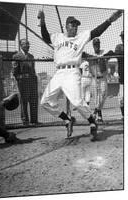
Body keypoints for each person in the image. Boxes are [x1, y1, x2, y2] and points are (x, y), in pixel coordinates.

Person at [38, 9, 122, 141]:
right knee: (45, 102)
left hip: (72, 72)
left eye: (76, 25)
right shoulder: (57, 37)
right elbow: (45, 37)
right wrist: (42, 21)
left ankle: (92, 121)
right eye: (72, 24)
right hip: (59, 73)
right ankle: (67, 119)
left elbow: (97, 31)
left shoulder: (81, 37)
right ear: (66, 26)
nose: (75, 27)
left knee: (77, 102)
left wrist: (109, 20)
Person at [12, 39, 38, 125]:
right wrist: (19, 80)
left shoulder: (31, 56)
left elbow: (33, 69)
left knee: (34, 100)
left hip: (32, 81)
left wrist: (34, 78)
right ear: (21, 45)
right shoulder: (16, 56)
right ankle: (25, 120)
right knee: (24, 101)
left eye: (28, 44)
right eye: (25, 44)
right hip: (23, 82)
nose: (28, 45)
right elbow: (15, 71)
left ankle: (34, 120)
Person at [115, 30, 124, 119]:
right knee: (121, 99)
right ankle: (124, 115)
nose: (123, 38)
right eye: (122, 36)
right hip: (122, 80)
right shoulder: (119, 47)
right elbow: (117, 52)